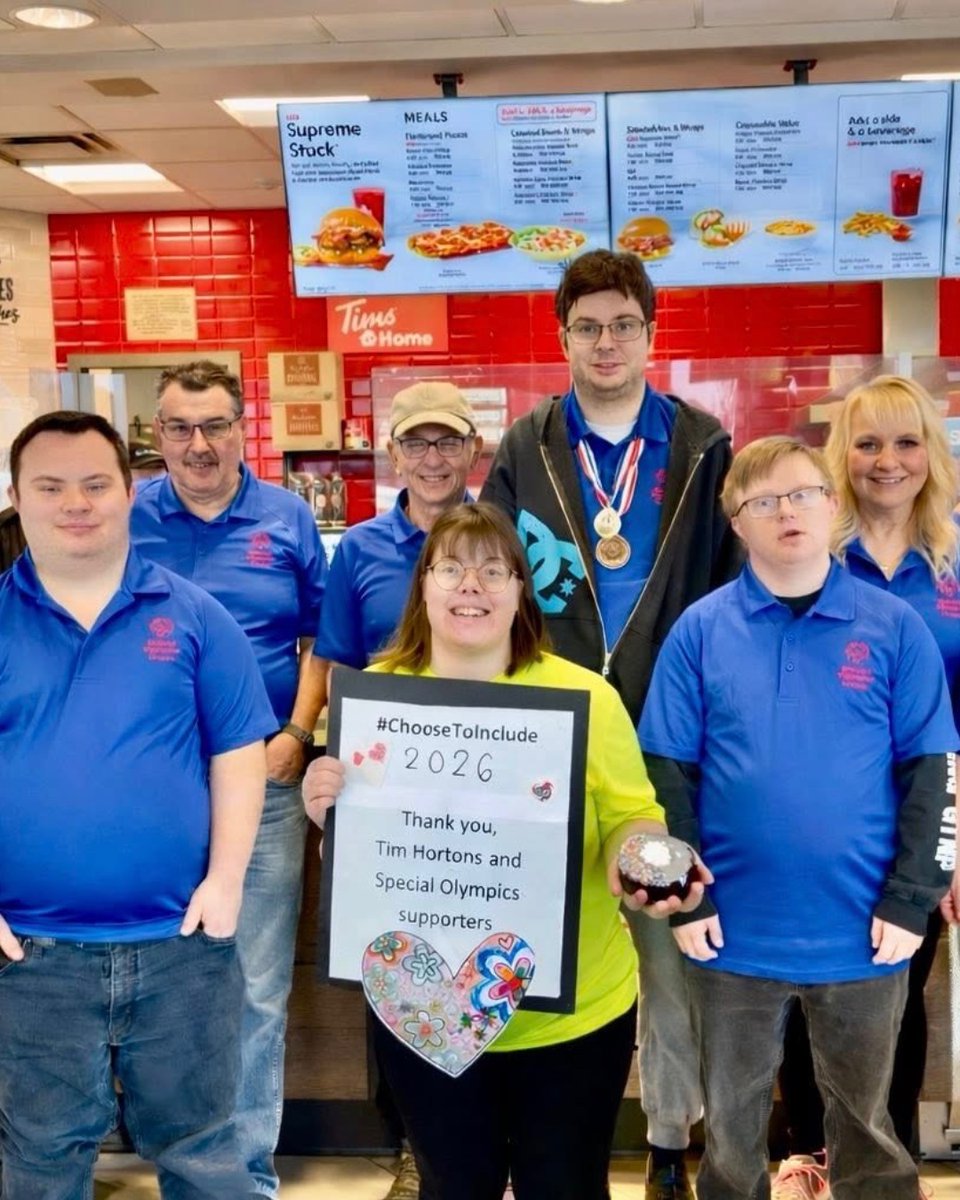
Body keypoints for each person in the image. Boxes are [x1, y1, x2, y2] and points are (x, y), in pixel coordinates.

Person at [304, 502, 705, 1200]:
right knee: (455, 1185)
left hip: (572, 1014)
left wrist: (644, 858)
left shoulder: (584, 696)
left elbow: (632, 815)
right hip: (421, 1008)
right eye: (451, 567)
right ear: (422, 586)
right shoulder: (376, 697)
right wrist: (326, 804)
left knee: (568, 1185)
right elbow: (366, 852)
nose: (471, 586)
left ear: (522, 591)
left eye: (495, 571)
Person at [480, 248, 739, 1199]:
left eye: (622, 324)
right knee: (540, 922)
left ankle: (670, 1136)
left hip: (669, 734)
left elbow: (727, 587)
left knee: (670, 932)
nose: (605, 342)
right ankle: (524, 1142)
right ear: (562, 337)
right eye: (586, 326)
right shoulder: (527, 443)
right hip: (552, 726)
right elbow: (499, 579)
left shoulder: (704, 443)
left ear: (651, 334)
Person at [639, 435, 957, 1200]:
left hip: (865, 933)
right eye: (764, 501)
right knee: (733, 1137)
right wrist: (689, 897)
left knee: (869, 1128)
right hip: (731, 935)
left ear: (832, 506)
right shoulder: (700, 631)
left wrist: (913, 897)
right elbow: (664, 780)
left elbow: (934, 772)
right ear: (736, 523)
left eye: (804, 493)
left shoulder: (892, 628)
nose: (788, 511)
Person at [0, 410, 276, 1198]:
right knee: (43, 1156)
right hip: (29, 957)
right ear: (19, 497)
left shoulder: (194, 616)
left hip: (182, 949)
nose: (74, 503)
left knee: (205, 1153)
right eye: (51, 486)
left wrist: (226, 883)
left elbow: (237, 752)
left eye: (95, 484)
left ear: (130, 492)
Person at [130, 360, 329, 1197]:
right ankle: (177, 1163)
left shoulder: (287, 518)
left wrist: (295, 732)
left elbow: (323, 639)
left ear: (244, 427)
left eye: (215, 424)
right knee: (155, 981)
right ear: (159, 436)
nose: (198, 444)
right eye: (180, 427)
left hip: (267, 781)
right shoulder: (128, 515)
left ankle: (242, 1176)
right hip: (151, 791)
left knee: (253, 986)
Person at [772, 376, 960, 1196]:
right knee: (804, 989)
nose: (889, 462)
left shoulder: (954, 561)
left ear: (934, 454)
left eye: (907, 442)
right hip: (821, 815)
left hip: (925, 816)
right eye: (869, 442)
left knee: (901, 987)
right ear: (840, 455)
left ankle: (883, 1164)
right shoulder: (809, 553)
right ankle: (809, 1153)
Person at [314, 379, 480, 1199]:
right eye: (418, 442)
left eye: (448, 441)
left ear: (472, 451)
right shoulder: (360, 552)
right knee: (397, 971)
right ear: (395, 455)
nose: (434, 457)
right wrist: (327, 766)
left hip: (489, 792)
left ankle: (491, 1151)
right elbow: (342, 663)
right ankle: (417, 1148)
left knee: (484, 962)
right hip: (390, 796)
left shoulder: (507, 536)